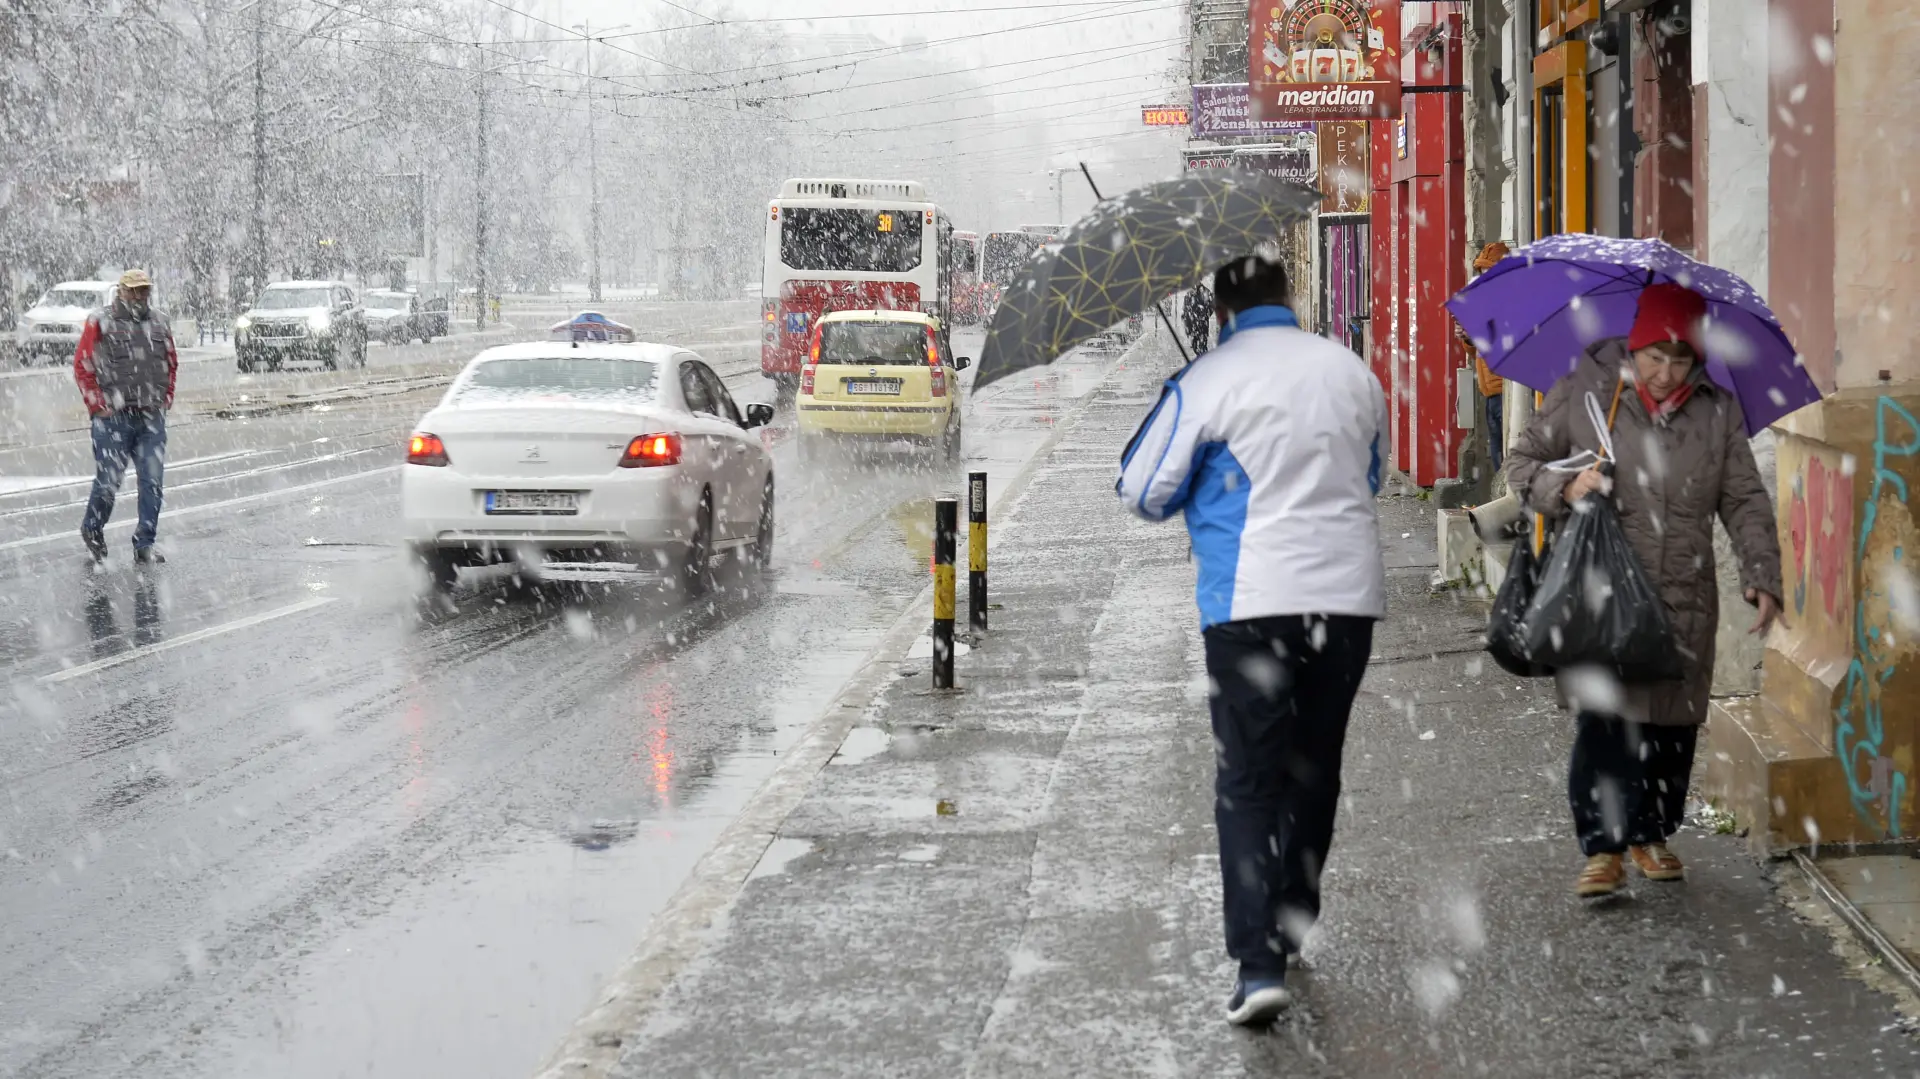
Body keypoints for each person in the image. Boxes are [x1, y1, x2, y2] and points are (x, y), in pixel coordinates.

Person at [1117, 255, 1388, 1025]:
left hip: (1251, 603)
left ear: (1221, 308)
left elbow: (1142, 489)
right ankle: (1292, 919)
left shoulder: (1208, 379)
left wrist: (1208, 468)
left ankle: (1257, 963)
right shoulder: (1350, 369)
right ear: (1286, 296)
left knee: (1248, 779)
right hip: (1344, 603)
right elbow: (1368, 474)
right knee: (1314, 768)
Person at [1507, 282, 1783, 898]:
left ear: (1698, 359)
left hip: (1685, 591)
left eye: (1680, 358)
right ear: (1634, 347)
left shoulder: (1717, 412)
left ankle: (1651, 834)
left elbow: (1743, 499)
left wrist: (1762, 574)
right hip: (1604, 588)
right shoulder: (1588, 392)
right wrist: (1567, 488)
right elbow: (1521, 464)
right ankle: (1603, 848)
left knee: (1671, 725)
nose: (1665, 371)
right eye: (1654, 356)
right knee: (1606, 721)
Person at [74, 268, 177, 564]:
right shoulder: (100, 321)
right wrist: (98, 404)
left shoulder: (160, 322)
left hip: (150, 417)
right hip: (113, 418)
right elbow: (83, 364)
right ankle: (92, 528)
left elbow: (171, 362)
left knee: (152, 482)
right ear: (121, 291)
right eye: (133, 290)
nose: (139, 295)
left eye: (144, 290)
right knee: (108, 480)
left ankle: (145, 543)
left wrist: (166, 396)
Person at [1455, 241, 1510, 471]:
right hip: (1489, 388)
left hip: (1503, 387)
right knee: (1496, 446)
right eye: (1482, 271)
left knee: (1502, 449)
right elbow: (1476, 349)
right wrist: (1467, 337)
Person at [1181, 282, 1214, 357]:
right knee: (1195, 347)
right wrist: (1185, 317)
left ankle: (1203, 360)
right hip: (1192, 326)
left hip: (1202, 325)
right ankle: (1201, 358)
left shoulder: (1206, 292)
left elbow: (1211, 306)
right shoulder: (1189, 294)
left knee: (1202, 346)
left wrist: (1204, 314)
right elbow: (1186, 308)